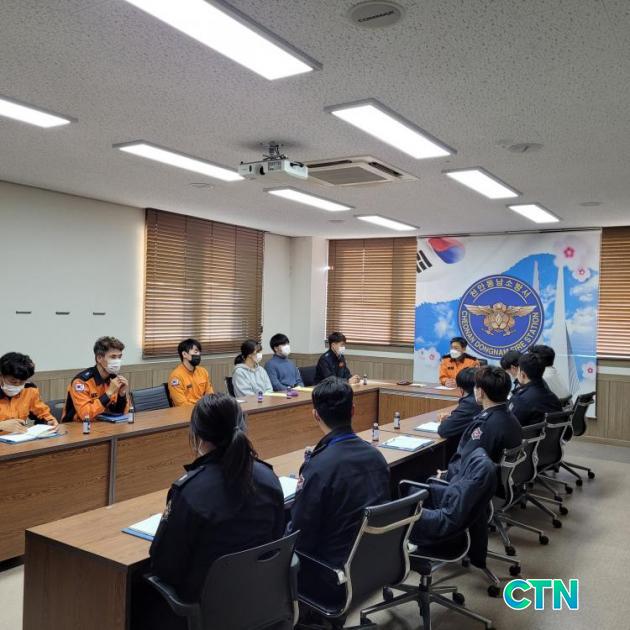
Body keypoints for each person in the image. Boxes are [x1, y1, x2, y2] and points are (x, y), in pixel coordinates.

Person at [146, 394, 285, 627]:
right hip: (259, 600)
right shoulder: (268, 477)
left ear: (198, 435)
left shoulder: (190, 492)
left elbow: (164, 566)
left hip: (207, 610)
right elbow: (277, 536)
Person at [288, 377, 390, 570]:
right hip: (373, 560)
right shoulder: (376, 456)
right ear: (353, 410)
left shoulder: (317, 467)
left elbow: (300, 535)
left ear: (316, 415)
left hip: (330, 570)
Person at [446, 366, 522, 479]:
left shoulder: (485, 425)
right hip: (499, 478)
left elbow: (464, 464)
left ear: (480, 392)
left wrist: (445, 475)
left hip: (478, 483)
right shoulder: (510, 415)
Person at [62, 336, 129, 422]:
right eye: (113, 357)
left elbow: (122, 414)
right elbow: (85, 415)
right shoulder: (81, 382)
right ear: (99, 358)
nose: (117, 361)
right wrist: (109, 393)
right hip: (77, 426)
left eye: (119, 357)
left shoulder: (114, 379)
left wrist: (121, 395)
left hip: (104, 425)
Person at [0, 352, 57, 432]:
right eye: (13, 381)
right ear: (1, 375)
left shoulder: (29, 389)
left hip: (18, 436)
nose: (17, 385)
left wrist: (49, 420)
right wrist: (1, 425)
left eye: (22, 382)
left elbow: (41, 412)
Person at [509, 352, 562, 427]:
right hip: (551, 434)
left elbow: (509, 426)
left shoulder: (520, 400)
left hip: (526, 434)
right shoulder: (553, 397)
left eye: (518, 371)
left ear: (523, 374)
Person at [436, 367, 481, 441]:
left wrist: (448, 420)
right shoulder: (486, 397)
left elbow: (444, 430)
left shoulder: (470, 403)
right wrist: (454, 416)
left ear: (461, 389)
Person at [168, 338, 214, 406]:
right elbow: (182, 404)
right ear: (184, 354)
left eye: (199, 352)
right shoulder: (176, 377)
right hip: (185, 411)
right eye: (195, 352)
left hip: (202, 409)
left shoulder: (203, 371)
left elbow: (210, 395)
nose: (198, 354)